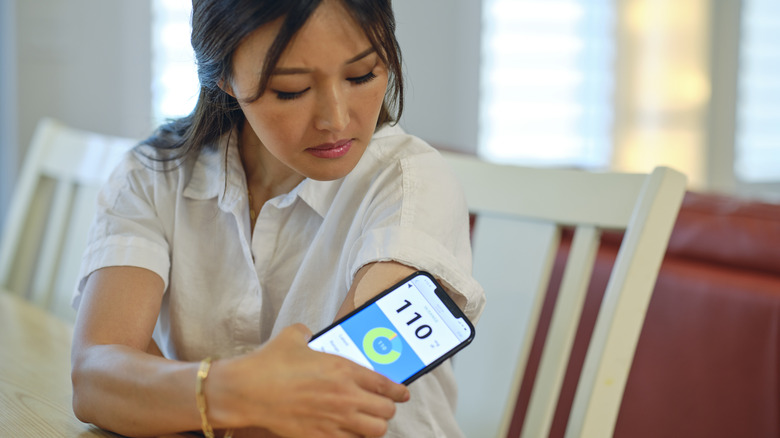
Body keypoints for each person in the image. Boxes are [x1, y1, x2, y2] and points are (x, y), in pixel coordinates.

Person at [70, 0, 485, 437]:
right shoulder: (153, 177)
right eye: (291, 90)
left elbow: (326, 408)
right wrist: (241, 390)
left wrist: (181, 396)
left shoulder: (412, 184)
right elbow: (95, 380)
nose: (336, 119)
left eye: (361, 75)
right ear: (224, 76)